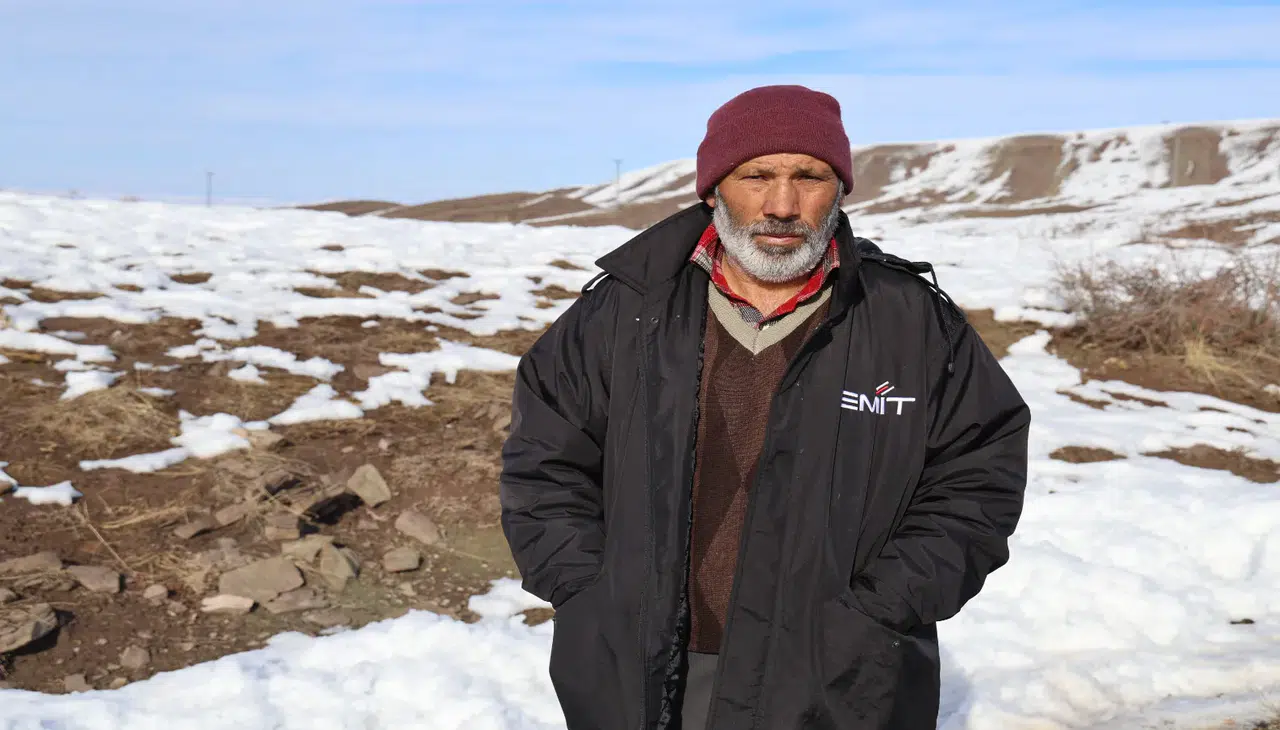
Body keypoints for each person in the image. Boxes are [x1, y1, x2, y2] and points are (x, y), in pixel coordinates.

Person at [499, 84, 1030, 730]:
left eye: (809, 176)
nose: (782, 204)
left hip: (838, 681)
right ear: (715, 187)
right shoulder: (624, 312)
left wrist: (881, 608)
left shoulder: (907, 323)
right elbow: (542, 464)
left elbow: (979, 476)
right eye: (758, 176)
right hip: (643, 677)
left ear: (839, 189)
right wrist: (593, 593)